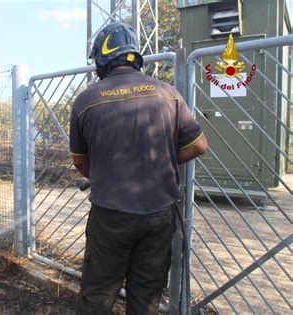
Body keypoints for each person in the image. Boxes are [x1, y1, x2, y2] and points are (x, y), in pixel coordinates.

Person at [70, 22, 207, 315]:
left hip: (110, 216)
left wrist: (107, 174)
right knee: (146, 296)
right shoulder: (169, 94)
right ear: (134, 55)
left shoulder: (86, 101)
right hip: (159, 213)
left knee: (98, 293)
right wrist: (160, 161)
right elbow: (198, 146)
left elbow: (80, 161)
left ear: (101, 59)